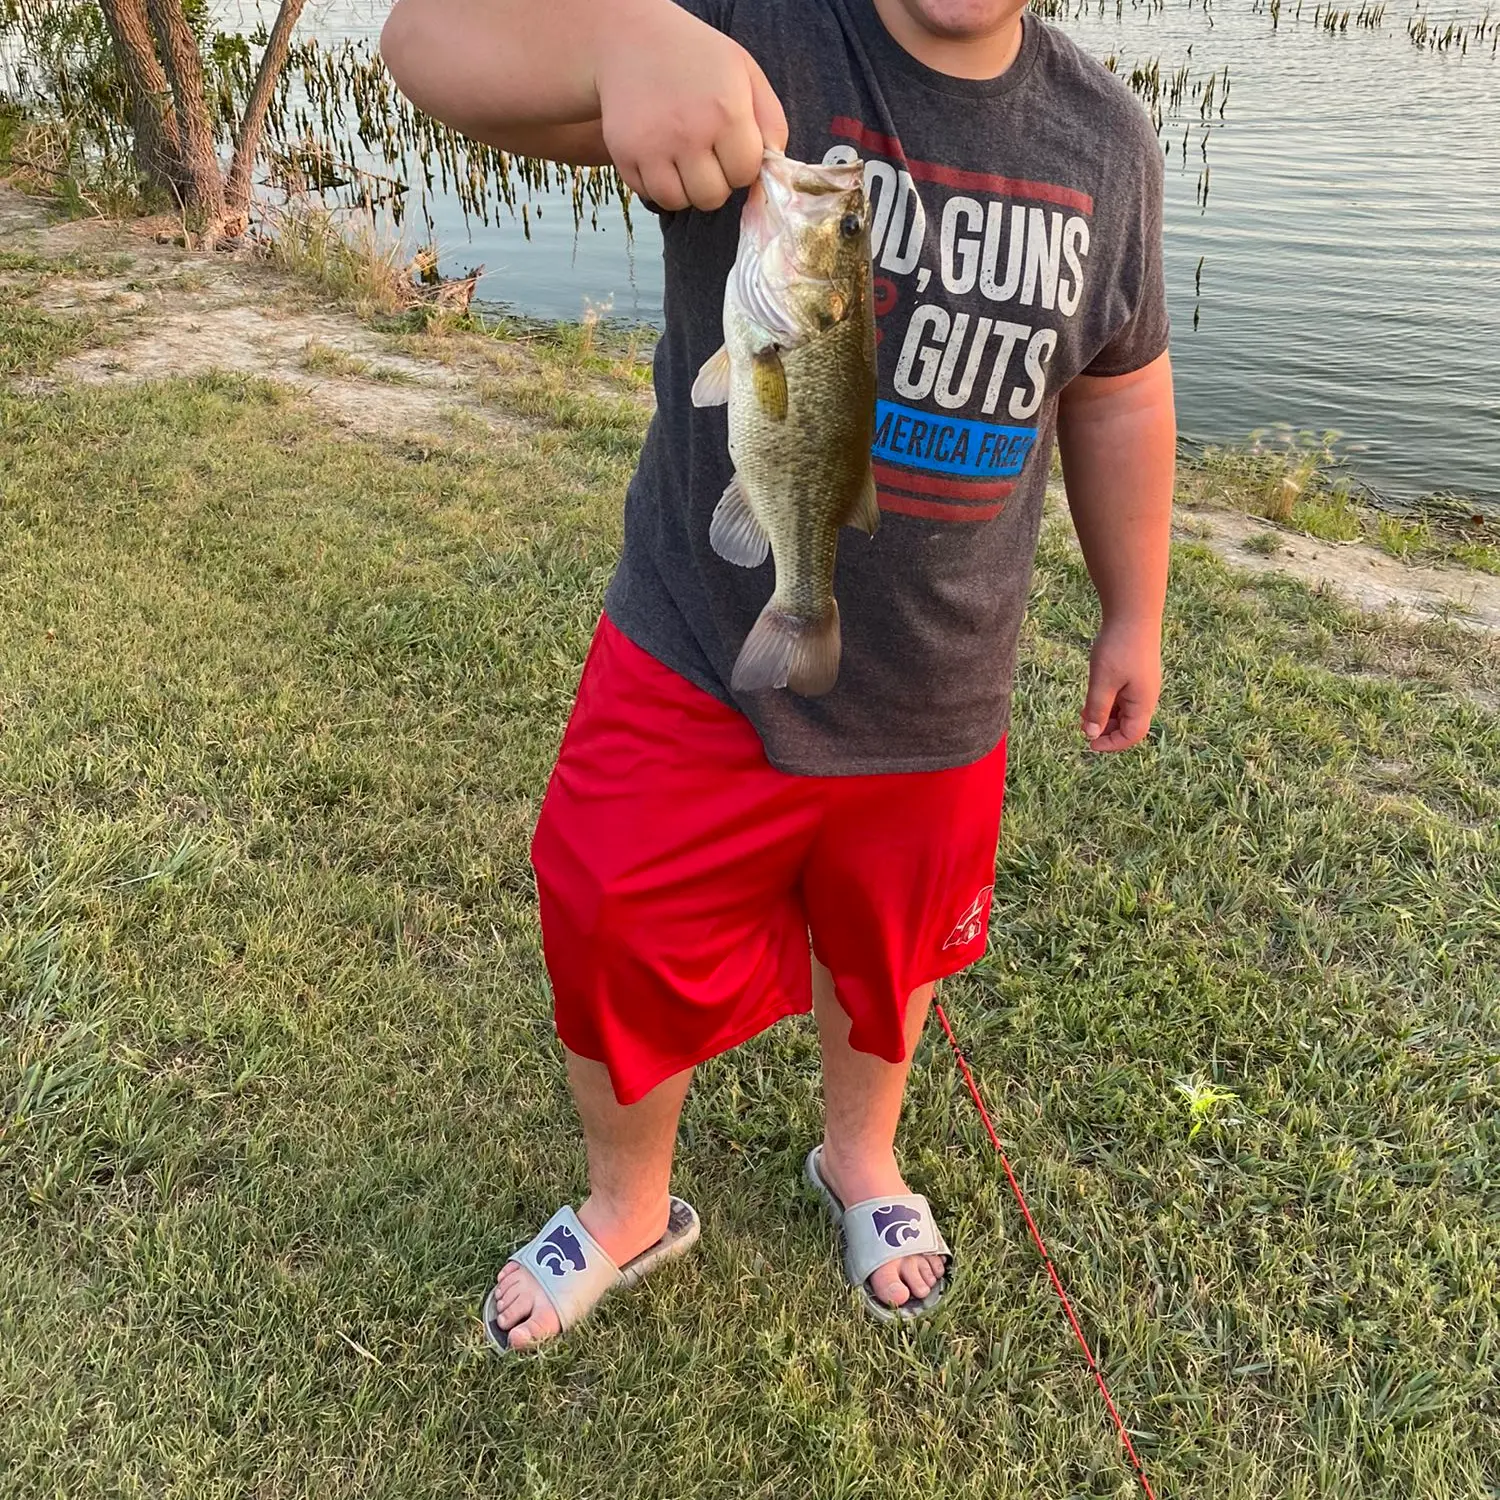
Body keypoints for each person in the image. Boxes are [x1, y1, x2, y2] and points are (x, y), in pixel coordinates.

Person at [379, 0, 1175, 1350]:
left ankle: (861, 1158)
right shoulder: (757, 30)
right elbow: (424, 42)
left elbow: (1118, 389)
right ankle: (628, 1201)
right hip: (692, 652)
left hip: (939, 689)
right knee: (608, 915)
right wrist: (622, 44)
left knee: (890, 956)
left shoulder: (1107, 141)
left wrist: (1133, 611)